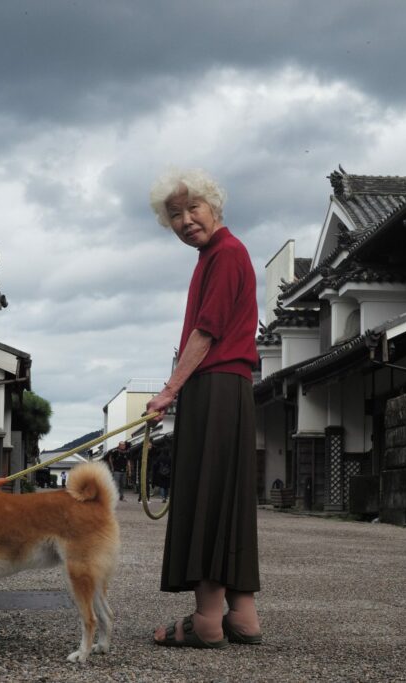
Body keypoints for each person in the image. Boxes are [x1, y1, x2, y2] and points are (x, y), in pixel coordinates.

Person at [145, 168, 263, 649]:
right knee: (230, 497)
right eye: (175, 214)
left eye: (193, 207)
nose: (186, 220)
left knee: (207, 495)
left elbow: (207, 330)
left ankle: (206, 619)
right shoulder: (218, 255)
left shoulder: (225, 254)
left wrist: (168, 391)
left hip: (214, 385)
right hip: (230, 388)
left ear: (214, 205)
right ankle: (243, 616)